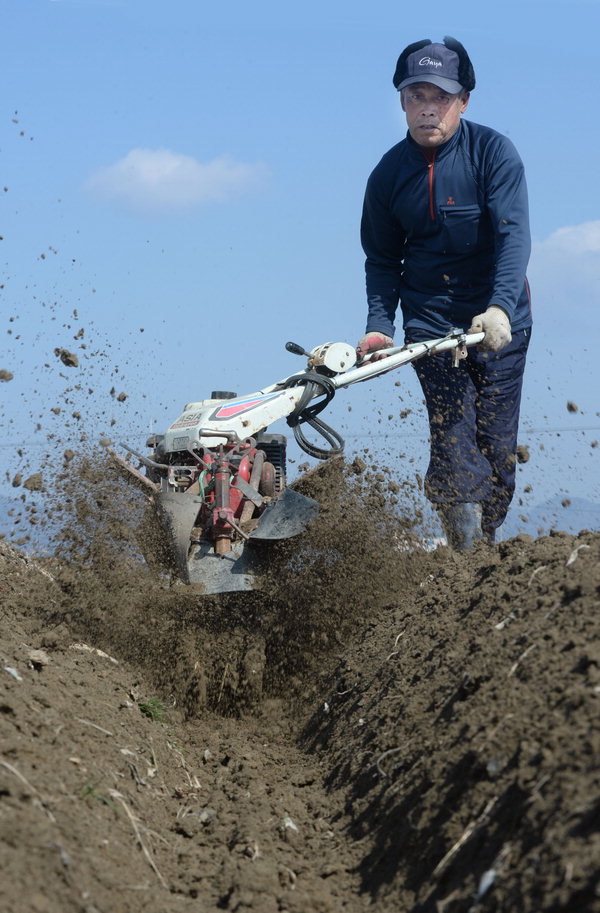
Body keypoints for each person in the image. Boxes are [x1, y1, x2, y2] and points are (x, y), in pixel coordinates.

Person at [357, 36, 532, 549]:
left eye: (441, 96)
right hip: (431, 325)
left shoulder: (493, 154)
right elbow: (383, 259)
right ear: (402, 101)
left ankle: (484, 557)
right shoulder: (388, 175)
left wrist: (499, 307)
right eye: (416, 96)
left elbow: (512, 237)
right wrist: (377, 326)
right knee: (454, 436)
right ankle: (465, 558)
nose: (428, 107)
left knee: (496, 447)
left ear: (464, 101)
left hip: (501, 321)